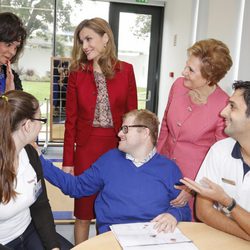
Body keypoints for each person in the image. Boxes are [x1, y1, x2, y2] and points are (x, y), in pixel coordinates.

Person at [41, 109, 191, 235]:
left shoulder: (169, 169)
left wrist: (174, 215)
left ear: (145, 133)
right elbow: (75, 187)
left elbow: (183, 208)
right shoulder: (109, 160)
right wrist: (39, 160)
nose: (119, 133)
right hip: (113, 236)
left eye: (125, 129)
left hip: (153, 237)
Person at [62, 17, 138, 243]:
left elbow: (132, 117)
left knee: (111, 212)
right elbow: (70, 120)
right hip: (86, 150)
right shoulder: (77, 72)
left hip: (117, 149)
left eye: (89, 39)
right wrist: (68, 161)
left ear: (105, 38)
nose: (84, 46)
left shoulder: (126, 70)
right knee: (83, 212)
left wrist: (134, 155)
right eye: (81, 41)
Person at [157, 39, 233, 214]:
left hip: (194, 181)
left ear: (209, 77)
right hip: (164, 172)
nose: (184, 72)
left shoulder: (224, 105)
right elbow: (165, 129)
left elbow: (220, 157)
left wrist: (193, 187)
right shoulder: (178, 86)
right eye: (186, 66)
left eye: (191, 70)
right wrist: (156, 162)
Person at [0, 91, 73, 249]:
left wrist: (53, 246)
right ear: (27, 126)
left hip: (28, 230)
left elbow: (40, 205)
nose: (41, 125)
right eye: (41, 120)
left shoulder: (31, 154)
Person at [180, 81, 250, 240]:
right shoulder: (220, 150)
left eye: (232, 106)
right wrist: (246, 235)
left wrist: (227, 201)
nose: (223, 112)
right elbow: (203, 211)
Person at [0, 12, 26, 94]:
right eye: (8, 44)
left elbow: (21, 106)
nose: (12, 52)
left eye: (16, 47)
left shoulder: (13, 77)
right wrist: (9, 94)